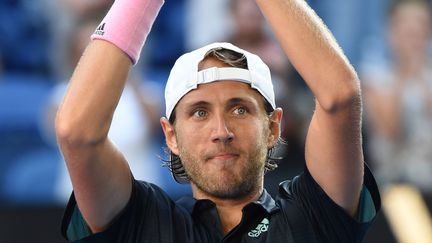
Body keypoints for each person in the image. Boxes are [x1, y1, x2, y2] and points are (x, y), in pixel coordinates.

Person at [56, 0, 380, 242]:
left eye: (240, 109)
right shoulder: (145, 221)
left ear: (273, 127)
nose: (221, 132)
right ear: (171, 136)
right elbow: (76, 134)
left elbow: (340, 97)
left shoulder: (310, 215)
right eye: (199, 112)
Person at [362, 0, 432, 193]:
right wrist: (405, 72)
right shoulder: (374, 78)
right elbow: (390, 129)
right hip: (394, 182)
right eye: (406, 26)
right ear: (391, 31)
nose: (413, 34)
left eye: (420, 26)